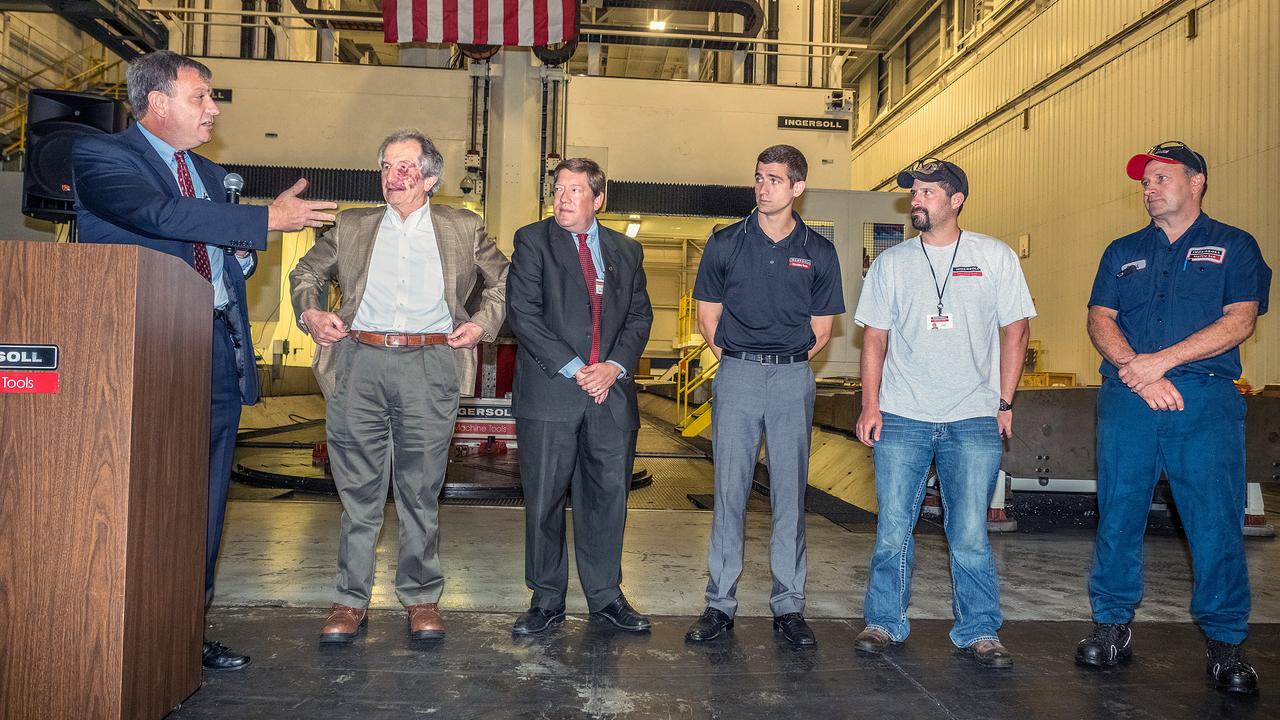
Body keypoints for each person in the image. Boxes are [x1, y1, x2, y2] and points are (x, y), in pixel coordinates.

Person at [72, 49, 336, 671]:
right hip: (140, 350)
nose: (213, 110)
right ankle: (117, 631)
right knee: (136, 495)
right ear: (156, 103)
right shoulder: (103, 157)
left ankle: (187, 628)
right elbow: (157, 217)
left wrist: (239, 259)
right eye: (201, 97)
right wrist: (263, 218)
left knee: (205, 500)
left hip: (213, 349)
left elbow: (216, 256)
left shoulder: (213, 179)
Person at [289, 129, 508, 643]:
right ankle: (349, 600)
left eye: (407, 166)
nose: (395, 175)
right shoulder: (352, 225)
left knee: (420, 489)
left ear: (430, 177)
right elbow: (304, 272)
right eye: (388, 165)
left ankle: (421, 597)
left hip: (431, 362)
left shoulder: (462, 226)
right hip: (358, 361)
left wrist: (481, 325)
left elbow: (504, 279)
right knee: (359, 491)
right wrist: (311, 313)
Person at [1077, 142, 1271, 695]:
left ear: (1197, 182)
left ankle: (1226, 643)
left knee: (1214, 521)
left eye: (1162, 178)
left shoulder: (1235, 246)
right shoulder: (1122, 250)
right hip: (1128, 398)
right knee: (1117, 514)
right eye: (1145, 182)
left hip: (1203, 400)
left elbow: (1240, 322)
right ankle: (1111, 627)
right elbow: (1099, 317)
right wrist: (1135, 371)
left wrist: (1158, 364)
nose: (1150, 188)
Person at [852, 157, 1034, 669]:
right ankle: (884, 621)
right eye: (914, 192)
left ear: (956, 200)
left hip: (972, 418)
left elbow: (1016, 330)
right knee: (893, 527)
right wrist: (871, 405)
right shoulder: (892, 263)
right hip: (903, 415)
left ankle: (979, 629)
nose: (917, 199)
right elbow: (875, 338)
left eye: (929, 192)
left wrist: (1003, 402)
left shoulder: (994, 257)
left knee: (971, 532)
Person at [684, 144, 844, 649]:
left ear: (798, 188)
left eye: (774, 179)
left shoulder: (819, 251)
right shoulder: (725, 243)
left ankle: (789, 607)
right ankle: (719, 605)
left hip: (792, 379)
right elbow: (708, 315)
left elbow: (822, 328)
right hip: (738, 376)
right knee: (729, 491)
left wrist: (787, 362)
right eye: (758, 177)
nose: (763, 187)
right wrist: (739, 360)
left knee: (790, 496)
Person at [505, 157, 654, 635]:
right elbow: (524, 315)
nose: (562, 198)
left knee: (608, 499)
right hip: (551, 394)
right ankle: (546, 599)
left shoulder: (626, 252)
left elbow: (639, 318)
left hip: (611, 396)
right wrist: (577, 370)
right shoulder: (533, 242)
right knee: (544, 498)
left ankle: (606, 597)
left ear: (598, 199)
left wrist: (613, 367)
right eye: (558, 189)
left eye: (574, 190)